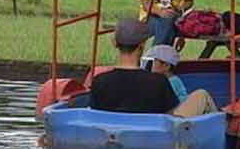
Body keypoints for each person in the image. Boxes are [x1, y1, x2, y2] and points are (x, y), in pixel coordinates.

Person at [90, 18, 218, 117]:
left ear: (115, 43)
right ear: (142, 45)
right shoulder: (159, 81)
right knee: (202, 95)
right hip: (156, 137)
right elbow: (171, 117)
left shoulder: (99, 82)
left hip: (114, 136)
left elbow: (95, 115)